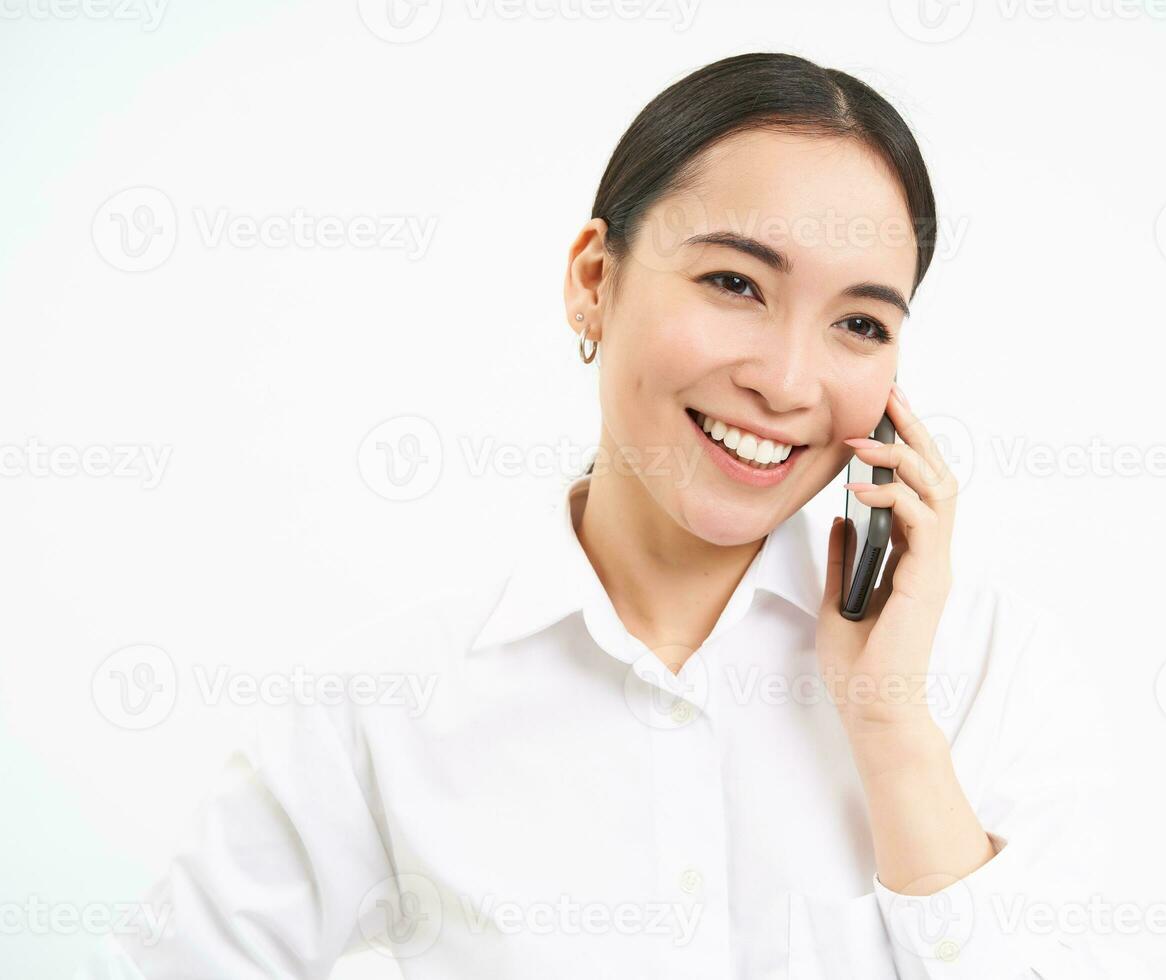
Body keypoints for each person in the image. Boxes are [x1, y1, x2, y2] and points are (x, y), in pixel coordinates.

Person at [77, 51, 1113, 979]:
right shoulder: (389, 706)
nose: (790, 379)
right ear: (593, 282)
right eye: (734, 282)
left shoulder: (991, 674)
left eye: (858, 321)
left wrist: (889, 724)